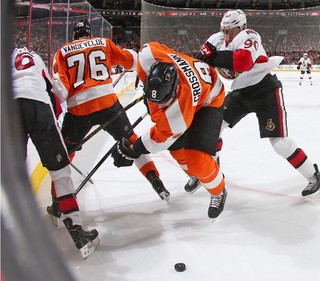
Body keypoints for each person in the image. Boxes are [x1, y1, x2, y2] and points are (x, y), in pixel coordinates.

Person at [193, 9, 320, 201]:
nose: (227, 34)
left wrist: (211, 57)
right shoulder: (217, 39)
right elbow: (198, 62)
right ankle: (211, 173)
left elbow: (242, 62)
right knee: (212, 128)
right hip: (241, 92)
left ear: (242, 27)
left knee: (279, 143)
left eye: (231, 30)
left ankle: (314, 177)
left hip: (265, 90)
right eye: (224, 29)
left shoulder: (250, 35)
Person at [51, 19, 170, 210]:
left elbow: (61, 91)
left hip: (79, 110)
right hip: (108, 102)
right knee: (131, 141)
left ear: (74, 35)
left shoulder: (62, 51)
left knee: (64, 153)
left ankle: (57, 203)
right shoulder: (103, 43)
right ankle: (157, 182)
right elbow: (131, 61)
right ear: (89, 34)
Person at [111, 41, 228, 219]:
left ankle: (219, 191)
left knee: (197, 159)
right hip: (193, 82)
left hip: (210, 98)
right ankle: (196, 177)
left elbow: (159, 139)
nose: (158, 105)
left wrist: (134, 149)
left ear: (175, 91)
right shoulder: (148, 56)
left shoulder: (178, 114)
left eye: (164, 102)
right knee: (176, 149)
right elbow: (150, 47)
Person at [11, 47, 99, 259]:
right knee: (61, 173)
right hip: (39, 107)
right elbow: (57, 95)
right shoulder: (37, 58)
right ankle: (77, 231)